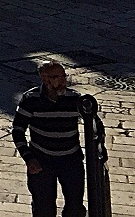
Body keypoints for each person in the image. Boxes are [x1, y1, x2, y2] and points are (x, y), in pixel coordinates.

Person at [14, 60, 101, 217]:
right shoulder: (30, 99)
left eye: (63, 76)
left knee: (75, 208)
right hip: (42, 161)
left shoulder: (75, 99)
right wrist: (28, 158)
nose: (62, 81)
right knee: (43, 208)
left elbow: (93, 123)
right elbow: (18, 131)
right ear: (44, 79)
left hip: (70, 161)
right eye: (56, 77)